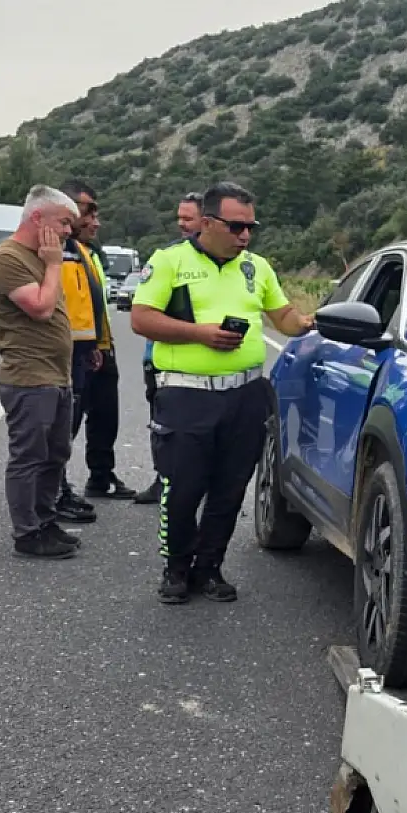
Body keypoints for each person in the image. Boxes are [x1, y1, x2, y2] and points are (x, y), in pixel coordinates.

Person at [130, 182, 315, 604]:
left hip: (245, 395)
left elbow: (281, 316)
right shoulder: (171, 262)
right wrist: (201, 335)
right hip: (187, 396)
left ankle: (209, 567)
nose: (245, 235)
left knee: (229, 491)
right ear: (208, 223)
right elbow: (141, 319)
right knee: (183, 490)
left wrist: (304, 322)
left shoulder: (256, 267)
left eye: (251, 227)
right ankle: (176, 568)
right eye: (236, 227)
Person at [0, 185, 83, 559]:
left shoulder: (41, 255)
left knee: (56, 454)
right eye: (63, 222)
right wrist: (54, 264)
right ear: (37, 218)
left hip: (56, 375)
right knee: (28, 457)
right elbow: (40, 308)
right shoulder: (8, 259)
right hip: (29, 377)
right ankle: (27, 533)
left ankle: (45, 520)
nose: (68, 231)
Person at [55, 181, 136, 518]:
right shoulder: (60, 250)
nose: (95, 220)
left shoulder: (90, 251)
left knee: (105, 416)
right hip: (71, 351)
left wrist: (102, 344)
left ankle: (100, 477)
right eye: (89, 211)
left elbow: (95, 303)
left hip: (96, 346)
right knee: (64, 424)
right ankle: (55, 490)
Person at [134, 192, 205, 505]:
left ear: (209, 220)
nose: (181, 223)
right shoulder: (167, 258)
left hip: (208, 365)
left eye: (188, 218)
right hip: (162, 360)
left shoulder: (233, 264)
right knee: (163, 424)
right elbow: (145, 311)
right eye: (180, 217)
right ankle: (163, 479)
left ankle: (202, 482)